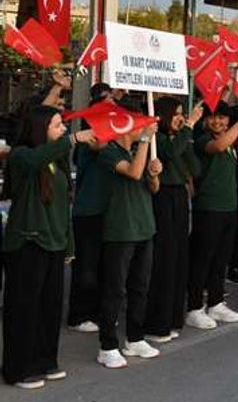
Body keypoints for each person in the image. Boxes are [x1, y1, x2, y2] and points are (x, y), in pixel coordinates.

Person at [2, 106, 96, 389]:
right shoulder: (22, 156)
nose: (63, 130)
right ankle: (18, 368)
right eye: (57, 125)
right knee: (24, 308)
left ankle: (45, 360)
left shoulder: (56, 161)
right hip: (28, 242)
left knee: (49, 307)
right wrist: (72, 140)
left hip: (54, 243)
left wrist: (68, 244)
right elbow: (33, 160)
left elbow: (62, 206)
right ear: (40, 128)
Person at [97, 121, 163, 369]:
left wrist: (155, 174)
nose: (142, 129)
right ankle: (108, 345)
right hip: (121, 230)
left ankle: (135, 338)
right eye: (137, 126)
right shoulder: (109, 152)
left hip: (145, 227)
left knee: (140, 287)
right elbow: (133, 173)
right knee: (114, 290)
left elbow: (152, 188)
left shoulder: (138, 153)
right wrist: (146, 141)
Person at [185, 101, 238, 329]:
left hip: (229, 207)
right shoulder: (203, 139)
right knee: (202, 260)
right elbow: (218, 146)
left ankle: (215, 302)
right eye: (213, 117)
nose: (218, 121)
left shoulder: (232, 141)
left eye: (222, 117)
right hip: (208, 207)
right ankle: (195, 307)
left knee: (220, 260)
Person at [144, 97, 203, 343]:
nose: (181, 118)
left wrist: (186, 136)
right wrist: (188, 126)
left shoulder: (179, 139)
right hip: (162, 197)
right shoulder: (157, 140)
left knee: (180, 257)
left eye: (183, 114)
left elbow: (195, 168)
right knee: (164, 260)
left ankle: (173, 317)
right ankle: (156, 321)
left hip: (180, 196)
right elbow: (167, 153)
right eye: (177, 114)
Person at [67, 83, 113, 334]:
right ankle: (79, 314)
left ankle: (96, 311)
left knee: (103, 265)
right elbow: (100, 145)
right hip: (88, 210)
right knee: (87, 265)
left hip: (106, 210)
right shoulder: (92, 138)